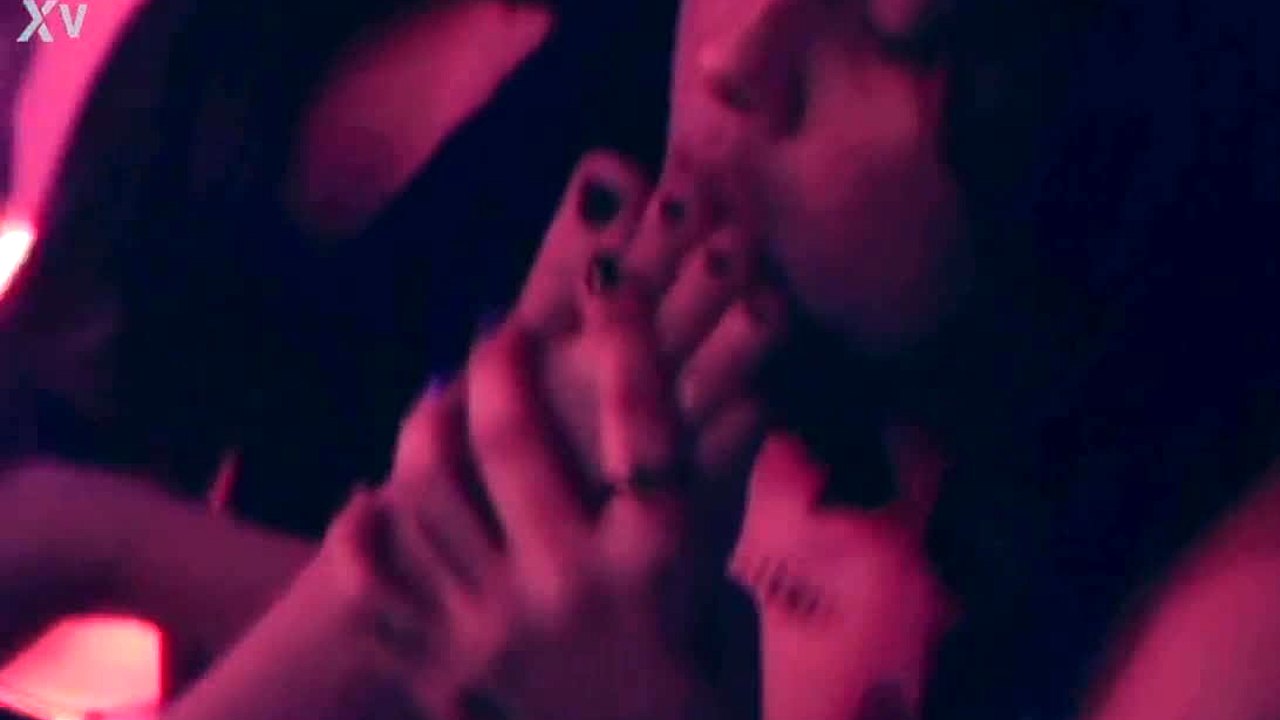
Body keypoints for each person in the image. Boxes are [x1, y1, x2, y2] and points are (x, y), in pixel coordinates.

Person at [169, 0, 1280, 718]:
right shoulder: (759, 362)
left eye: (889, 32)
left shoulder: (1237, 601)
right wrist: (416, 553)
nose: (733, 56)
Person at [0, 0, 676, 680]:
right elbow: (49, 405)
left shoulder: (683, 72)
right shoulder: (219, 37)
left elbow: (577, 655)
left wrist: (106, 544)